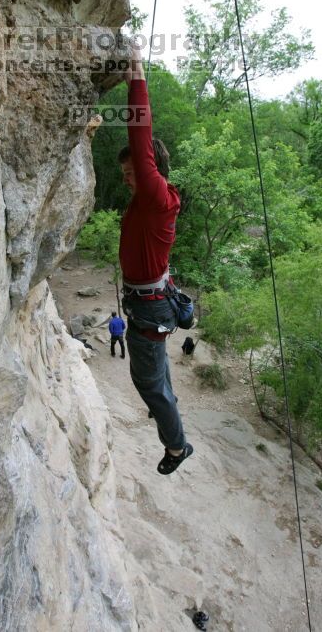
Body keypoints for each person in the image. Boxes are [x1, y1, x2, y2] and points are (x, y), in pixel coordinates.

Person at [118, 45, 193, 475]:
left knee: (147, 382)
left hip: (149, 306)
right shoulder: (148, 202)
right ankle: (171, 414)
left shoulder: (155, 198)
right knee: (158, 375)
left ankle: (177, 446)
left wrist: (136, 76)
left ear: (151, 172)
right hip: (151, 301)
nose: (129, 181)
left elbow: (140, 140)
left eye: (133, 175)